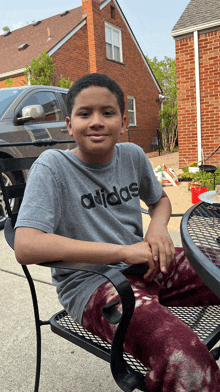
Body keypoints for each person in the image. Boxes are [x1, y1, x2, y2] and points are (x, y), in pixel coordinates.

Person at [14, 73, 220, 391]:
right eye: (85, 113)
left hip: (146, 263)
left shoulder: (133, 156)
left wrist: (157, 228)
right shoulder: (52, 167)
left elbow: (160, 200)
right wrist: (123, 251)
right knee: (185, 359)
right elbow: (27, 245)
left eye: (107, 113)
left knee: (216, 264)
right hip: (95, 286)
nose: (96, 121)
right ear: (69, 124)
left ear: (123, 121)